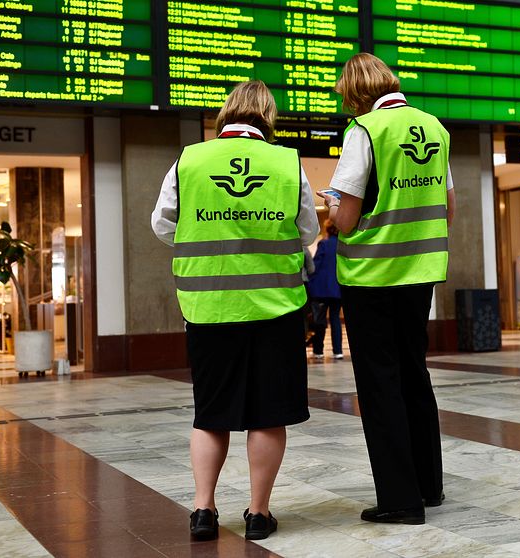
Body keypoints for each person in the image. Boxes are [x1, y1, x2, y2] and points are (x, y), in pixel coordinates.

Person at [150, 80, 319, 541]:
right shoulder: (287, 162)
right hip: (275, 308)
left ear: (226, 115)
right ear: (267, 115)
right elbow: (307, 229)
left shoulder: (189, 159)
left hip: (209, 307)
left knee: (211, 412)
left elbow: (162, 223)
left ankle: (203, 511)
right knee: (267, 413)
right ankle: (258, 514)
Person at [318, 53, 454, 525]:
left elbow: (348, 220)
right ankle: (428, 485)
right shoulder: (434, 127)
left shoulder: (365, 131)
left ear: (356, 94)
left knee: (380, 384)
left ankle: (400, 500)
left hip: (374, 277)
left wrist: (334, 206)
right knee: (415, 374)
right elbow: (448, 209)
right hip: (421, 273)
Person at [307, 220, 344, 359]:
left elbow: (315, 266)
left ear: (327, 229)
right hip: (337, 289)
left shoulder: (324, 244)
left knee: (320, 320)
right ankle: (338, 351)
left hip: (321, 289)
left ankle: (318, 351)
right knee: (335, 319)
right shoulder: (342, 245)